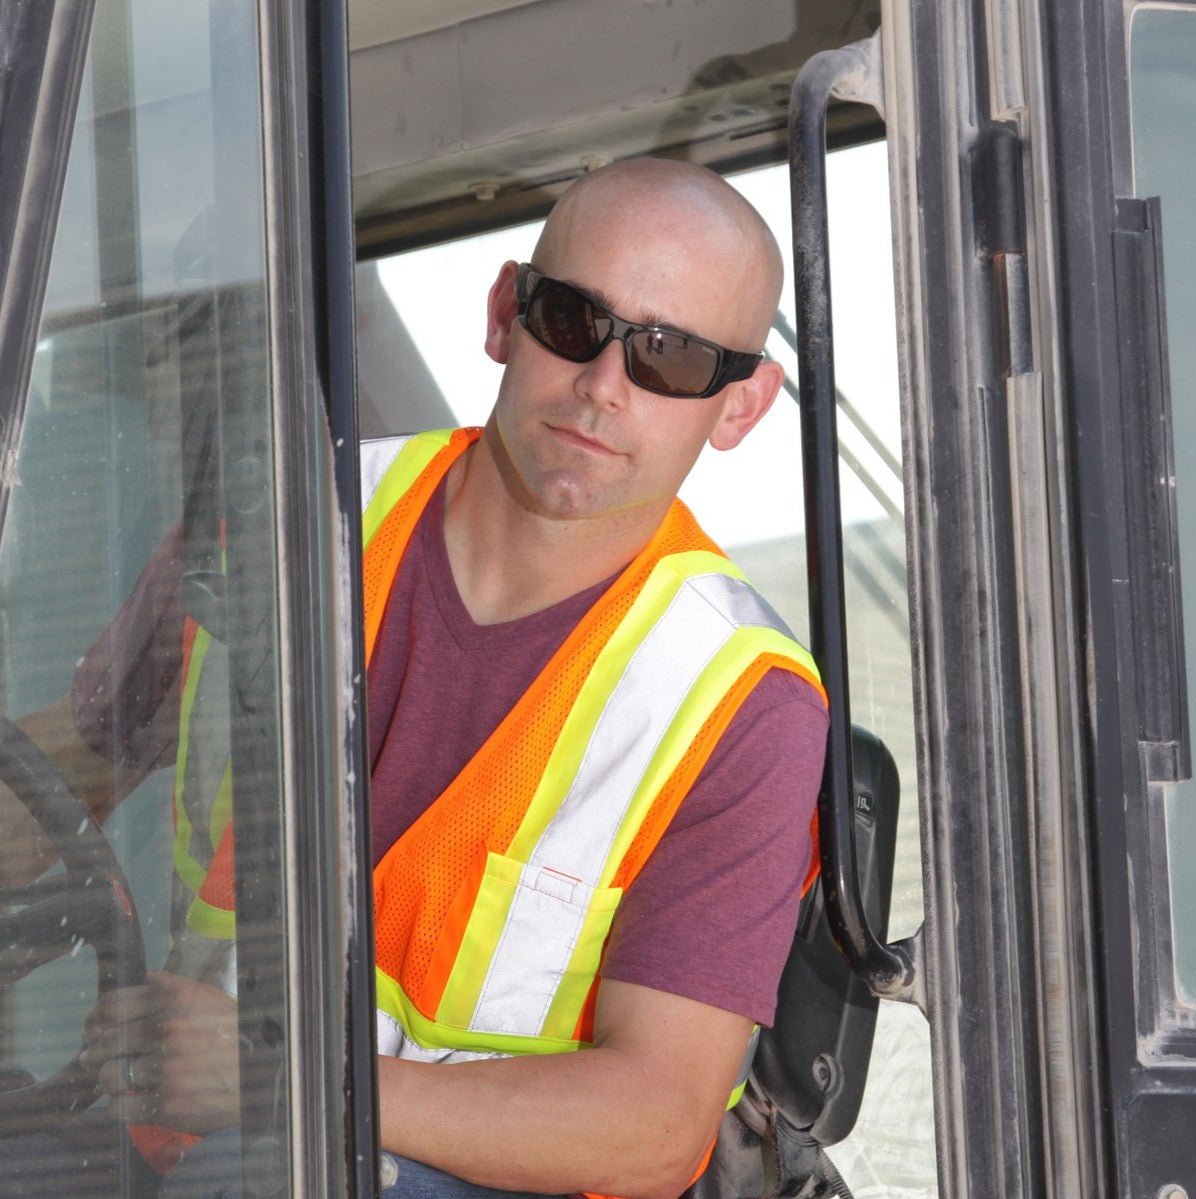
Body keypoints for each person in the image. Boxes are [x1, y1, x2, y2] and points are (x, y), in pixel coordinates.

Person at [13, 156, 829, 1199]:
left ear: (738, 405)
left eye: (668, 356)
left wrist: (285, 1081)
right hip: (182, 1134)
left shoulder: (738, 705)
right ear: (505, 315)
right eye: (574, 320)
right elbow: (49, 786)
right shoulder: (280, 533)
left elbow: (654, 1122)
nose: (601, 383)